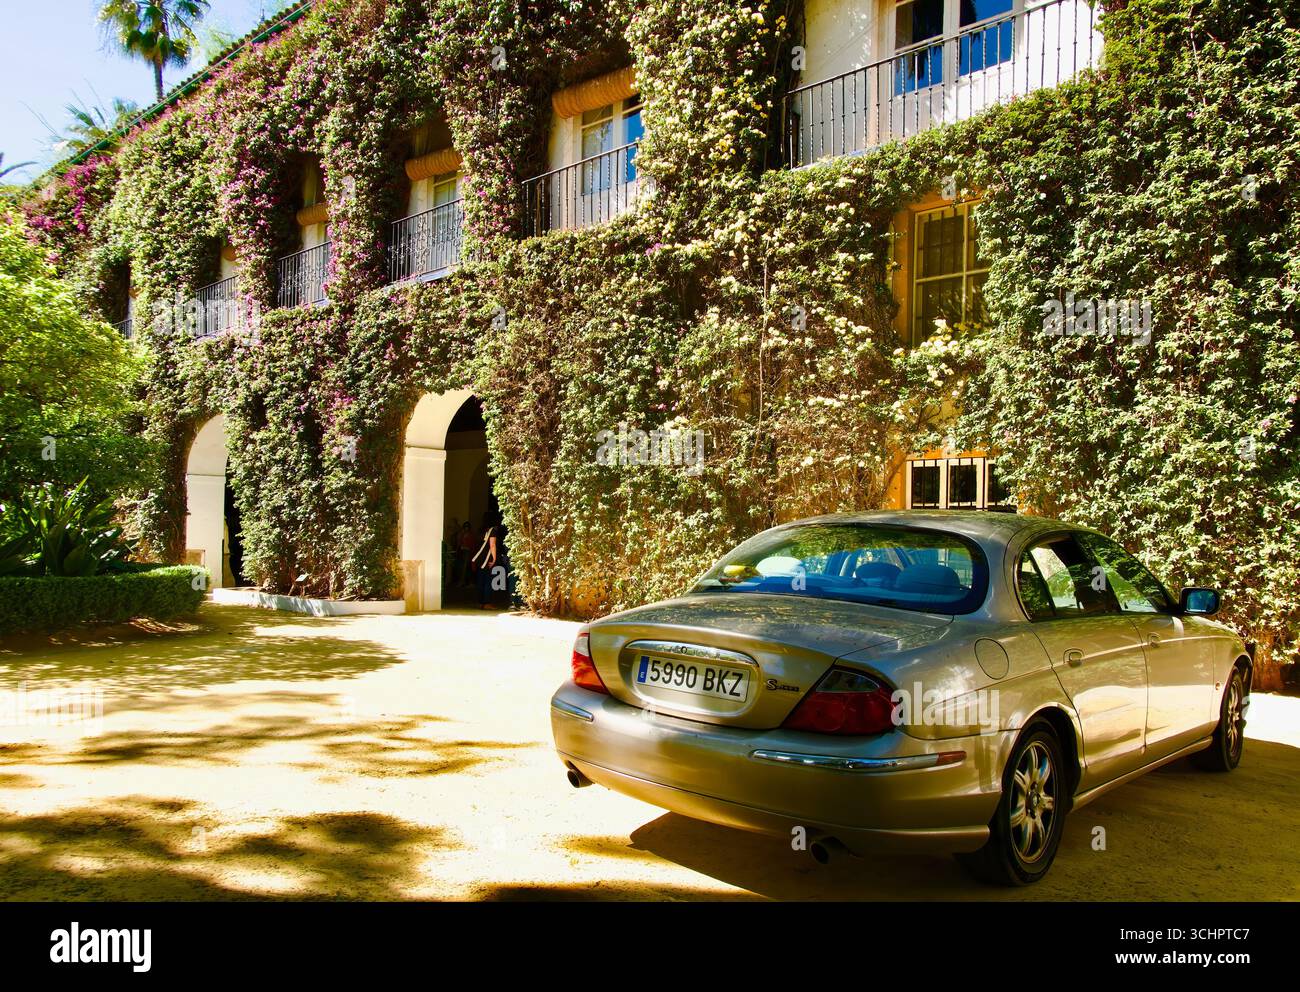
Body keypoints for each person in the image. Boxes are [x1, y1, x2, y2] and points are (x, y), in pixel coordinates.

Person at [472, 512, 501, 609]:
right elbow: (492, 545)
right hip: (486, 558)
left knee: (480, 580)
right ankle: (487, 602)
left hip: (479, 558)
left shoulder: (482, 529)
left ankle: (480, 602)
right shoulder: (493, 531)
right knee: (488, 581)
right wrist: (494, 558)